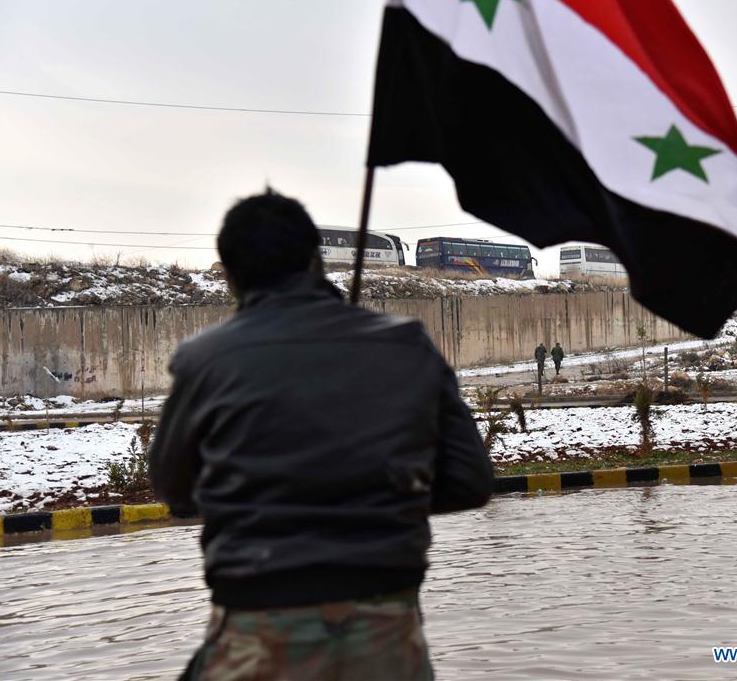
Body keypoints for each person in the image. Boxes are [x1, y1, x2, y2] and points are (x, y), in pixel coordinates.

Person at [148, 189, 492, 681]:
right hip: (388, 633)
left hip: (255, 624)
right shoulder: (406, 345)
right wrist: (377, 498)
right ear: (317, 260)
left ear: (229, 273)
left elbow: (175, 492)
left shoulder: (206, 360)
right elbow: (470, 482)